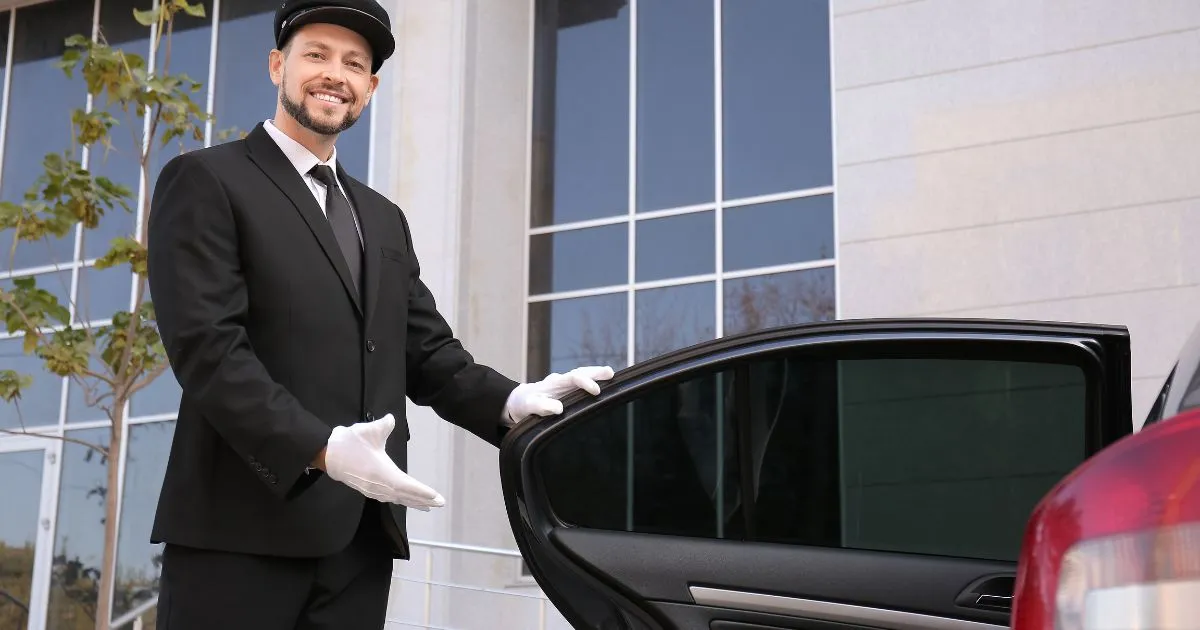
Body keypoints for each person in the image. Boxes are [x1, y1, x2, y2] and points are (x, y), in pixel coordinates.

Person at [144, 1, 613, 628]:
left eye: (354, 64)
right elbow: (208, 351)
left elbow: (427, 353)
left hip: (360, 542)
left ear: (371, 86)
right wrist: (321, 448)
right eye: (317, 55)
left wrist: (513, 401)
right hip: (238, 535)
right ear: (277, 65)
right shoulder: (206, 180)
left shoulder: (382, 216)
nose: (334, 74)